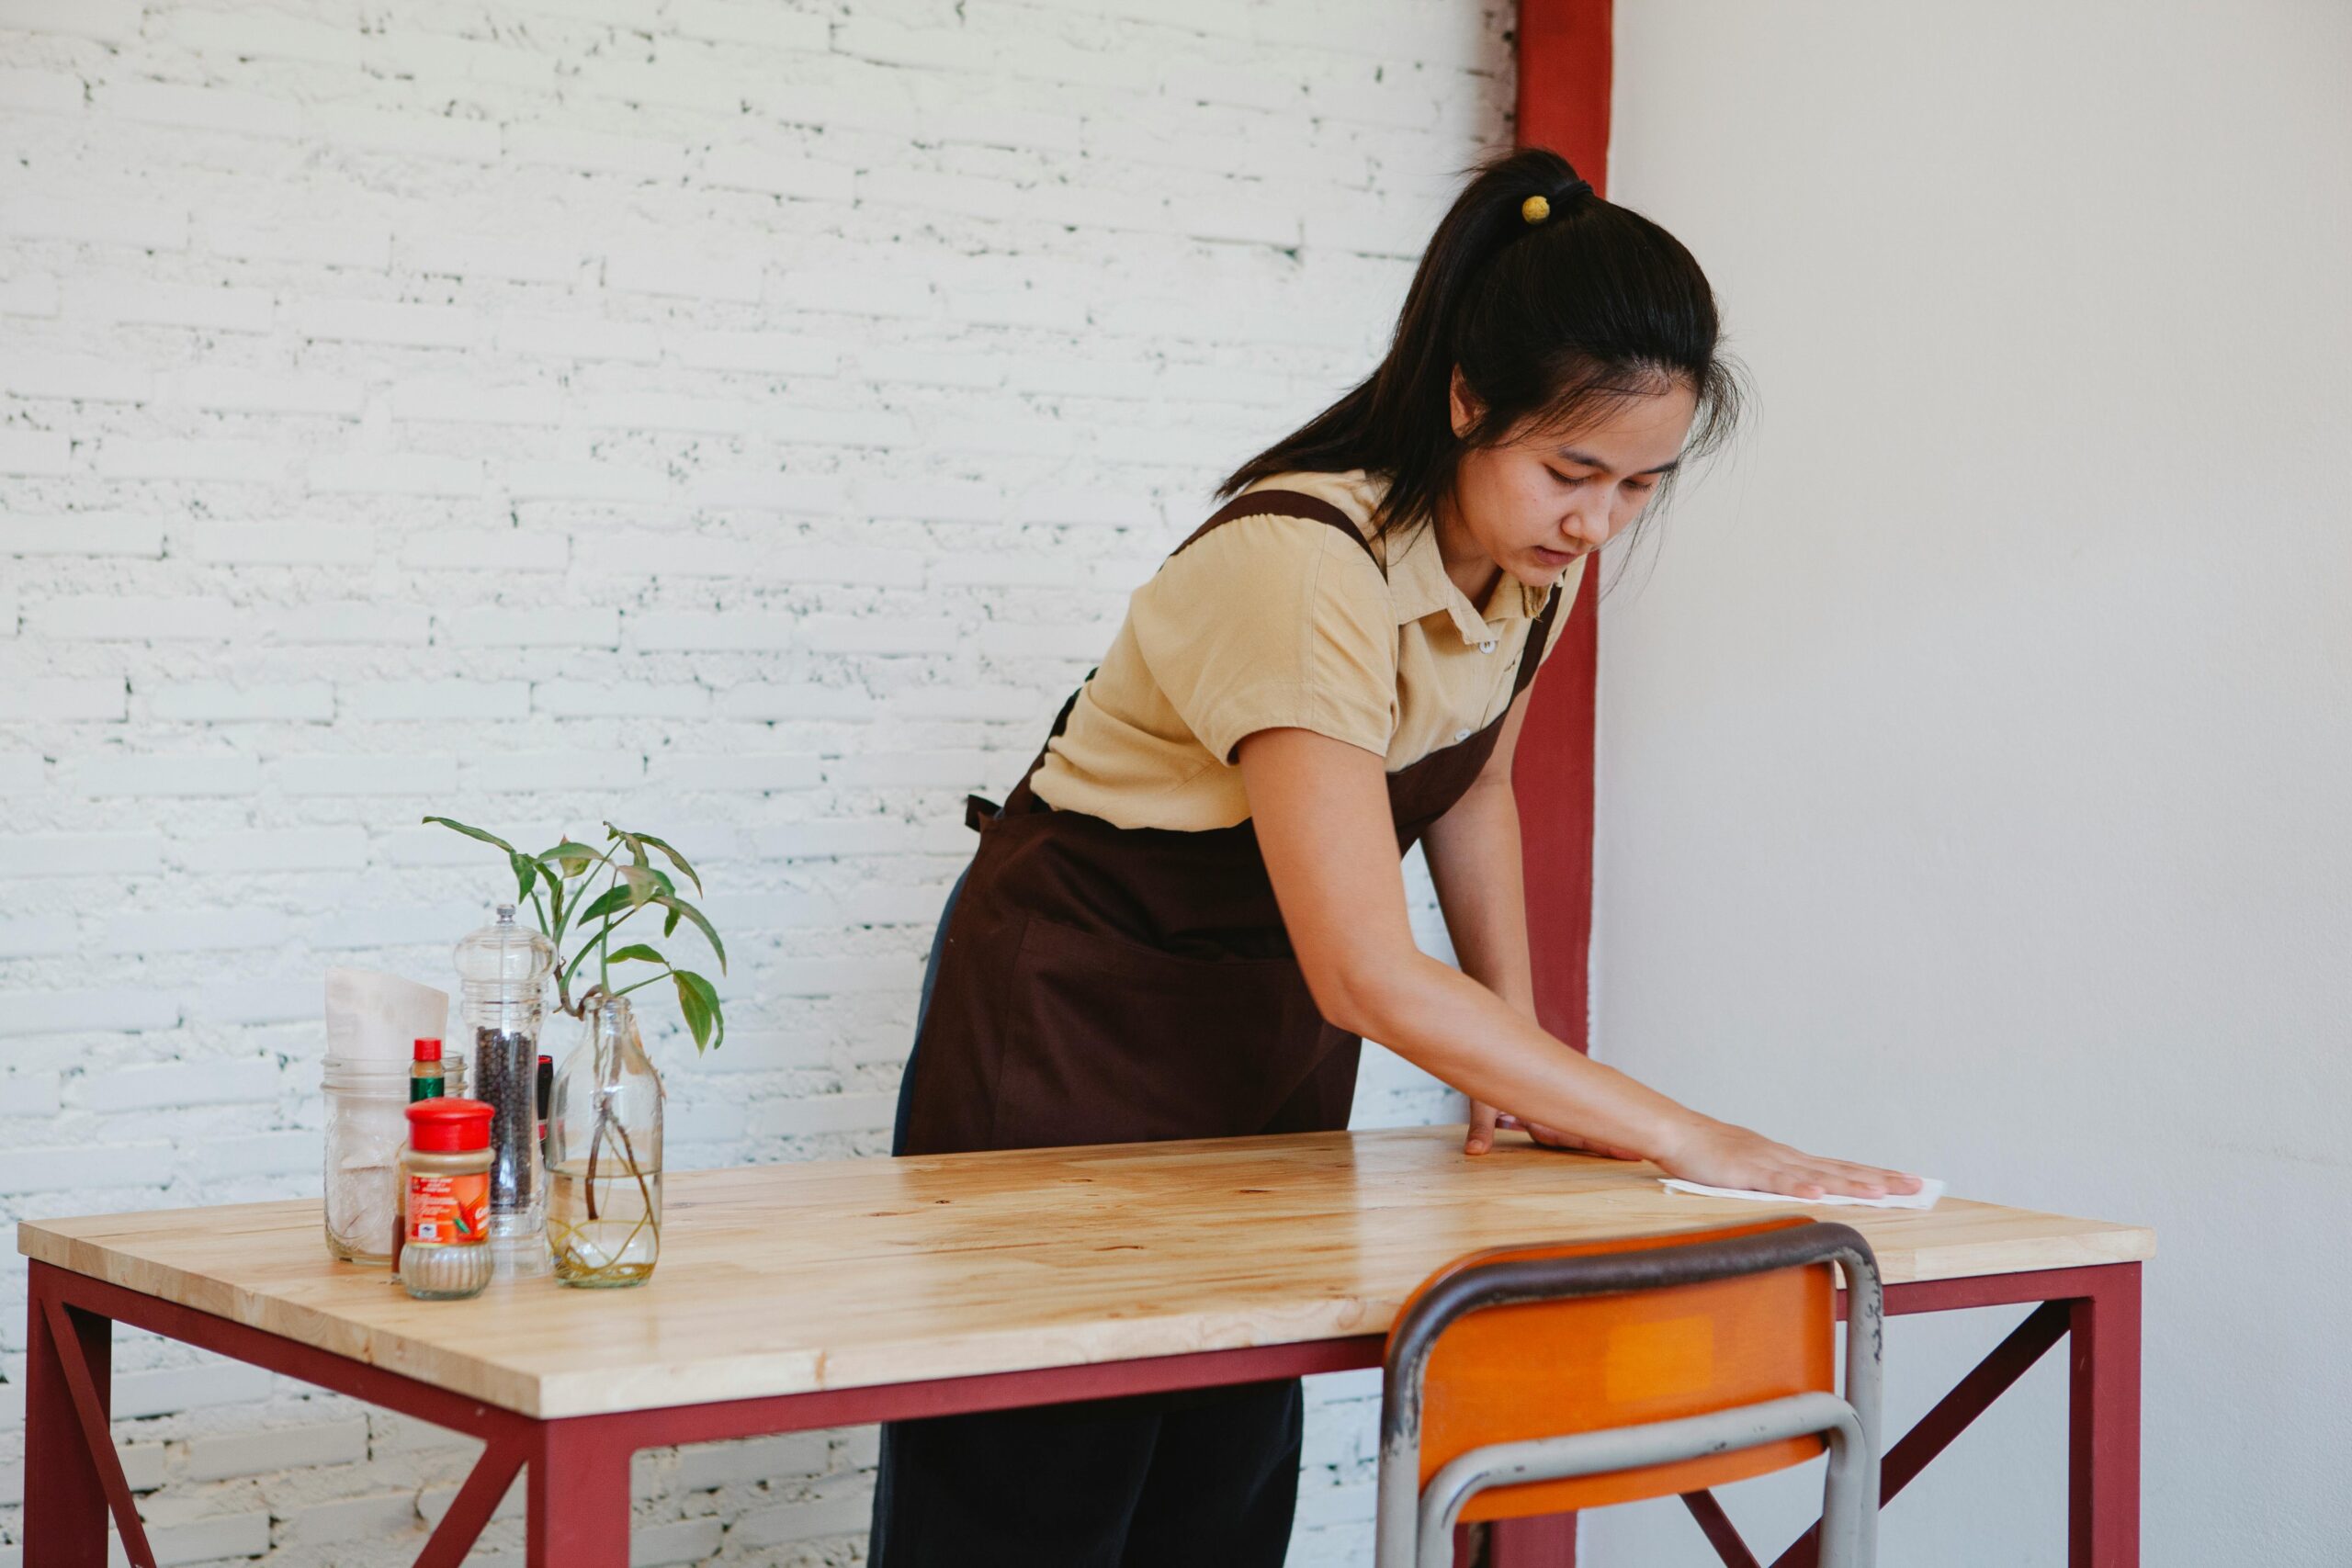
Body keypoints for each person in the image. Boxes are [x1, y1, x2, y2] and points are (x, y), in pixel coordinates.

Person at [866, 145, 1920, 1567]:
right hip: (1074, 1022)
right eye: (1571, 471)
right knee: (1036, 1492)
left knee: (1224, 1477)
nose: (1598, 522)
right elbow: (1364, 965)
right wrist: (1679, 1132)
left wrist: (1525, 1060)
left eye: (1641, 486)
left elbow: (1469, 783)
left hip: (1259, 1026)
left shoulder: (1523, 565)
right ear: (1469, 399)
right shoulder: (1303, 565)